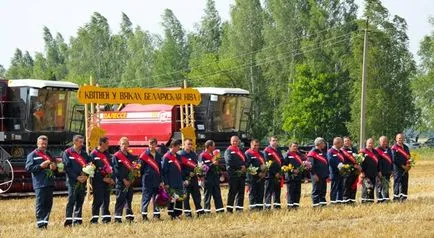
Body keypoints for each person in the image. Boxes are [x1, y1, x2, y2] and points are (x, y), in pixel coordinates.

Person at [25, 135, 57, 229]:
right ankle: (40, 224)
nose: (43, 145)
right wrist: (40, 166)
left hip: (49, 183)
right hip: (39, 183)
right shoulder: (32, 155)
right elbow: (28, 168)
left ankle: (45, 223)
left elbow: (55, 165)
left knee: (48, 204)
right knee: (40, 204)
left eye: (45, 144)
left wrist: (54, 167)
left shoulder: (49, 154)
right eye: (42, 143)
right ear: (37, 143)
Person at [63, 135, 91, 226]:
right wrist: (76, 177)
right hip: (72, 181)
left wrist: (86, 176)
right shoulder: (67, 152)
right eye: (80, 142)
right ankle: (68, 220)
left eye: (82, 142)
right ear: (74, 142)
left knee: (80, 200)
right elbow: (67, 168)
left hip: (82, 181)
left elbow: (89, 166)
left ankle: (78, 220)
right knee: (71, 200)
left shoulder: (84, 154)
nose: (82, 144)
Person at [89, 137, 115, 224]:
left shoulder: (107, 154)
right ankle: (94, 219)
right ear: (102, 143)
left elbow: (111, 167)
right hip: (98, 181)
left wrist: (111, 178)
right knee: (98, 200)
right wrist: (103, 178)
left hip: (107, 181)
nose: (108, 145)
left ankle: (106, 219)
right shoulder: (93, 154)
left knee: (106, 200)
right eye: (107, 143)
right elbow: (91, 170)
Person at [113, 137, 137, 223]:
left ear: (128, 145)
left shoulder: (131, 157)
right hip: (121, 182)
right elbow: (115, 170)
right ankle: (117, 218)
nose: (124, 146)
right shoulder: (116, 156)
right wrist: (123, 180)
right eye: (123, 144)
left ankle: (129, 217)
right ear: (119, 144)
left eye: (126, 144)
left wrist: (131, 179)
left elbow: (135, 169)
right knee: (120, 200)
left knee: (129, 200)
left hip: (129, 182)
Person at [139, 138, 163, 221]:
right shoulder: (144, 155)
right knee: (146, 198)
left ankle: (156, 216)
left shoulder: (159, 155)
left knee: (156, 198)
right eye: (150, 144)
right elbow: (140, 169)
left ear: (156, 145)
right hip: (147, 180)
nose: (151, 146)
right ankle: (144, 216)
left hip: (157, 180)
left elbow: (160, 169)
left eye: (153, 144)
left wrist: (161, 181)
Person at [198, 140, 224, 214]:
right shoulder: (202, 155)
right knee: (207, 196)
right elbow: (201, 168)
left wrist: (220, 173)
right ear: (209, 146)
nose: (214, 147)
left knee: (217, 195)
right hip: (207, 178)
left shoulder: (213, 155)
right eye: (213, 146)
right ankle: (207, 212)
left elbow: (217, 166)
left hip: (215, 178)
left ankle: (220, 211)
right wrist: (212, 164)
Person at [180, 138, 204, 217]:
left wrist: (199, 173)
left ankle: (200, 212)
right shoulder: (181, 155)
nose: (190, 146)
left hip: (194, 179)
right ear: (184, 145)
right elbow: (179, 169)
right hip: (185, 179)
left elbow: (196, 166)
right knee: (186, 198)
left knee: (197, 196)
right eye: (188, 144)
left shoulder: (193, 154)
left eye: (191, 144)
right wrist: (186, 174)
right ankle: (188, 214)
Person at [162, 140, 184, 220]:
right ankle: (172, 215)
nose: (179, 148)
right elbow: (164, 172)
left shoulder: (178, 156)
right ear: (173, 146)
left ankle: (178, 214)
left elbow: (181, 169)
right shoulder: (166, 157)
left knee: (179, 199)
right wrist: (166, 183)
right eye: (178, 146)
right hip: (170, 183)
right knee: (172, 199)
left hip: (178, 181)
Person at [224, 136, 246, 213]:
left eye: (236, 141)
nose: (235, 142)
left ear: (239, 142)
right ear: (231, 142)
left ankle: (239, 209)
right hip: (233, 175)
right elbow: (229, 161)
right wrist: (240, 166)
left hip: (242, 175)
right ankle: (229, 210)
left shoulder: (241, 151)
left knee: (241, 192)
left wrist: (245, 166)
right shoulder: (228, 151)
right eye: (233, 141)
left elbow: (245, 160)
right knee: (232, 192)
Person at [245, 139, 266, 210]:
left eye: (257, 145)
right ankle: (253, 209)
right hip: (252, 177)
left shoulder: (261, 154)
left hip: (261, 177)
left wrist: (264, 172)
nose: (256, 147)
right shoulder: (248, 153)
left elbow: (264, 164)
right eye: (254, 145)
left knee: (260, 193)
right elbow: (248, 166)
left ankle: (260, 208)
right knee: (253, 193)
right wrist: (258, 173)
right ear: (251, 145)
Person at [307, 137, 329, 207]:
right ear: (319, 143)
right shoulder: (312, 153)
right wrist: (313, 174)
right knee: (316, 190)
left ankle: (322, 204)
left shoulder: (322, 152)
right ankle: (316, 205)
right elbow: (310, 166)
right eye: (323, 143)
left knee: (323, 190)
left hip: (323, 175)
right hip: (316, 175)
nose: (324, 144)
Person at [263, 136, 284, 209]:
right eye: (273, 140)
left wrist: (280, 172)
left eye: (276, 140)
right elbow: (267, 163)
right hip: (270, 175)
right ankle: (267, 208)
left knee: (277, 192)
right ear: (270, 142)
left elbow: (281, 161)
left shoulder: (278, 150)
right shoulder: (266, 151)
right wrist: (275, 173)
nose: (275, 142)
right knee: (268, 192)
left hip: (278, 174)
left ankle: (277, 207)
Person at [284, 142, 304, 209]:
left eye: (296, 146)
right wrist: (292, 170)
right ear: (290, 147)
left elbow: (302, 164)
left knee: (297, 192)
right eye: (294, 146)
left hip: (298, 177)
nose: (295, 147)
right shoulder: (287, 155)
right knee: (290, 192)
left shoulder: (299, 155)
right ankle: (290, 207)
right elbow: (284, 166)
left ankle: (296, 206)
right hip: (290, 177)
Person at [391, 133, 411, 201]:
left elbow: (409, 157)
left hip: (405, 169)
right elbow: (394, 159)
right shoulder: (394, 148)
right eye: (399, 138)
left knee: (404, 183)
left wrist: (408, 165)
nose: (401, 139)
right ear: (396, 139)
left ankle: (403, 197)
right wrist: (403, 166)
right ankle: (396, 198)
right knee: (397, 183)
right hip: (397, 169)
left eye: (402, 138)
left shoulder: (406, 147)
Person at [360, 138, 380, 203]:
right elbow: (360, 163)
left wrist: (379, 171)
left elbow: (378, 163)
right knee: (366, 187)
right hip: (366, 173)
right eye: (369, 143)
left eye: (372, 143)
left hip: (374, 173)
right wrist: (362, 172)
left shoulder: (375, 152)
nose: (370, 144)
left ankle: (371, 201)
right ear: (366, 143)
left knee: (372, 187)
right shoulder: (362, 152)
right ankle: (364, 201)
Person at [341, 137, 360, 204]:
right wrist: (352, 165)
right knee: (346, 186)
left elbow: (358, 159)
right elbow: (343, 161)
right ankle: (346, 201)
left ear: (350, 141)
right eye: (345, 141)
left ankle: (352, 200)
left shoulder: (354, 149)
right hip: (346, 171)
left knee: (354, 186)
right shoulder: (342, 150)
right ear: (343, 142)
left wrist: (359, 165)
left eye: (348, 140)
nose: (347, 142)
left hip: (355, 171)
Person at [327, 137, 345, 204]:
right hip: (334, 172)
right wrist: (338, 165)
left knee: (341, 188)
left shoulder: (340, 151)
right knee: (334, 188)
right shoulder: (330, 151)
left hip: (342, 172)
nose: (342, 144)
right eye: (341, 143)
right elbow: (330, 161)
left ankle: (339, 201)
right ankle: (333, 201)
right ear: (337, 143)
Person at [375, 136, 393, 203]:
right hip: (380, 171)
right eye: (383, 141)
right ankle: (379, 200)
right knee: (379, 186)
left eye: (386, 141)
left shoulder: (389, 149)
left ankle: (386, 198)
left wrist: (392, 170)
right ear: (380, 142)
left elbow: (391, 160)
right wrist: (378, 171)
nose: (385, 143)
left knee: (386, 185)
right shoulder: (377, 150)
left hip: (387, 171)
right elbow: (376, 162)